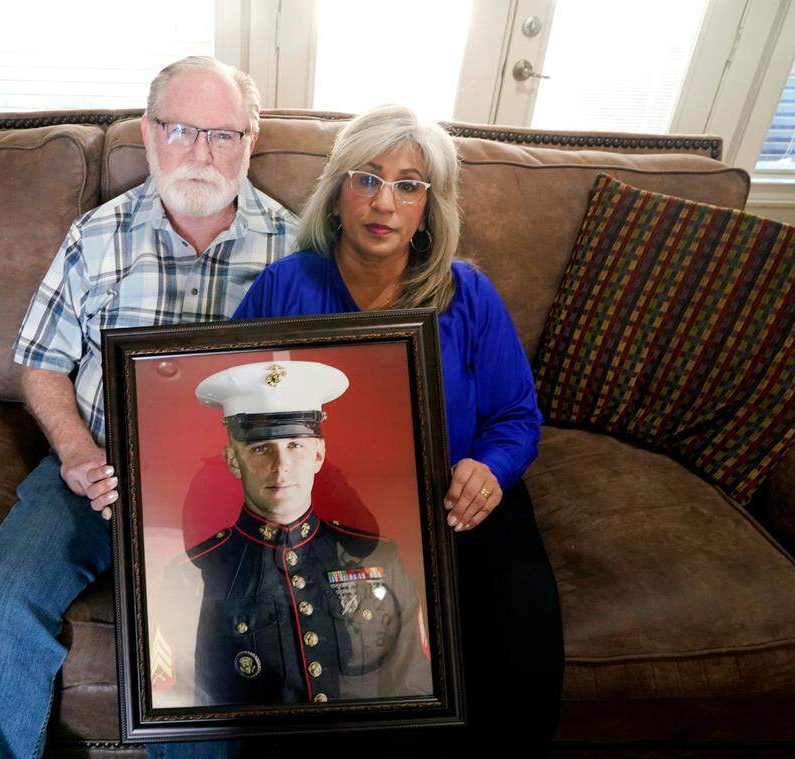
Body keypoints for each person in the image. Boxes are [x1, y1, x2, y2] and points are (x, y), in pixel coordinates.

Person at [0, 56, 299, 758]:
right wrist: (75, 450)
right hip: (95, 467)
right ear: (148, 129)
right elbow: (41, 363)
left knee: (196, 663)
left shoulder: (292, 248)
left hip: (221, 492)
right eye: (182, 130)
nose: (201, 152)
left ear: (251, 139)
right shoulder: (96, 237)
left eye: (223, 135)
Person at [226, 105, 565, 754]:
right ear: (336, 197)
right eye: (367, 178)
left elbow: (517, 415)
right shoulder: (284, 285)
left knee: (519, 640)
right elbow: (233, 397)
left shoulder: (467, 293)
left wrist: (490, 469)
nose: (385, 201)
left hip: (455, 496)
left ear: (428, 209)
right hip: (327, 508)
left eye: (409, 185)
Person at [151, 360, 431, 708]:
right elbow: (186, 710)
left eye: (295, 446)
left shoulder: (379, 558)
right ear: (233, 461)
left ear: (319, 454)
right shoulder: (192, 575)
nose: (280, 466)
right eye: (259, 448)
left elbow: (414, 689)